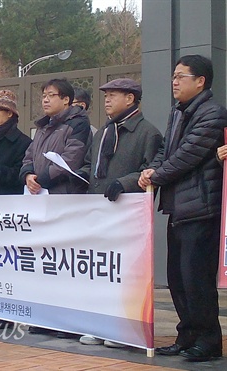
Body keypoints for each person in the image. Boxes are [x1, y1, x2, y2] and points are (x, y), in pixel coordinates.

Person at [138, 55, 227, 362]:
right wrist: (151, 170)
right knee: (177, 277)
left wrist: (157, 175)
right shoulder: (179, 112)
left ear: (200, 81)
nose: (174, 82)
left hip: (202, 207)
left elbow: (189, 154)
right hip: (179, 207)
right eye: (173, 76)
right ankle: (186, 336)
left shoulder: (213, 113)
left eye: (180, 76)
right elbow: (167, 152)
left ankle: (208, 340)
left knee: (196, 278)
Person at [76, 78, 162, 347]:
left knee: (124, 271)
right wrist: (77, 177)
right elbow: (90, 164)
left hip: (126, 212)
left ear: (131, 98)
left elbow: (153, 170)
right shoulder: (103, 132)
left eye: (113, 95)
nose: (107, 100)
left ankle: (124, 330)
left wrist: (123, 183)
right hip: (98, 210)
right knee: (99, 268)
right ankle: (99, 324)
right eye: (106, 96)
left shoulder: (148, 132)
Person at [20, 79, 91, 195]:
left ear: (66, 100)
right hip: (38, 194)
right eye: (44, 96)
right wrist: (27, 175)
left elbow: (70, 161)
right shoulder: (43, 126)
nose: (45, 100)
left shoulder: (78, 124)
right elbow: (29, 156)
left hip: (64, 195)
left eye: (51, 95)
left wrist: (39, 181)